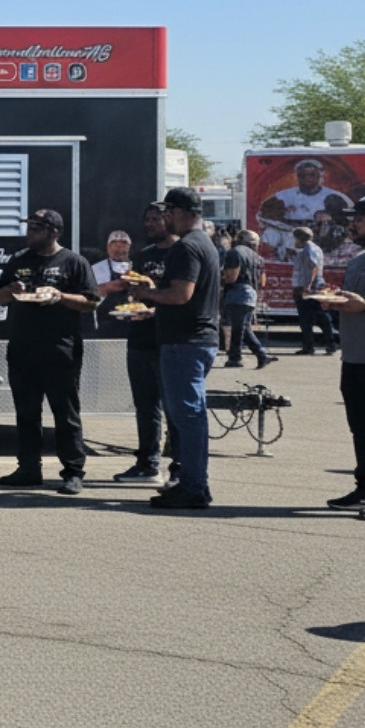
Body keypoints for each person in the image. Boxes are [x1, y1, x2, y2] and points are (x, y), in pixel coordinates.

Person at [0, 209, 100, 494]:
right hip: (22, 348)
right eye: (29, 227)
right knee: (26, 412)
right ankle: (29, 468)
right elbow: (0, 297)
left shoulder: (74, 262)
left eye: (36, 228)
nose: (29, 233)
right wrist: (11, 289)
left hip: (60, 349)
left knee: (65, 413)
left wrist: (60, 296)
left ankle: (73, 471)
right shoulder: (18, 261)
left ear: (54, 231)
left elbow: (91, 302)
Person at [129, 187, 222, 510]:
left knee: (188, 417)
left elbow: (181, 294)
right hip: (197, 340)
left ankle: (194, 486)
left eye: (168, 213)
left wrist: (148, 293)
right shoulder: (206, 243)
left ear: (180, 212)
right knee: (188, 416)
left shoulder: (187, 247)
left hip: (185, 342)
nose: (165, 219)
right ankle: (191, 482)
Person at [99, 204, 179, 483]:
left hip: (168, 339)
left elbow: (183, 298)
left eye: (155, 219)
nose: (149, 224)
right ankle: (147, 464)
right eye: (146, 220)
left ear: (169, 219)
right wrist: (131, 303)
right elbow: (139, 292)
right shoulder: (144, 255)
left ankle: (179, 468)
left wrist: (155, 310)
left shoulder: (181, 252)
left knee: (174, 407)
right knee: (145, 406)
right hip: (139, 337)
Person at [317, 197, 365, 509]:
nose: (354, 223)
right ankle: (364, 488)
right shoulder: (358, 260)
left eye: (360, 218)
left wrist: (363, 307)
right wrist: (333, 303)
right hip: (355, 359)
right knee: (360, 427)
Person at [221, 229, 273, 369]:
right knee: (245, 327)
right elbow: (263, 281)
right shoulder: (258, 257)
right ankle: (248, 355)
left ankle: (240, 357)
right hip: (252, 293)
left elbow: (232, 277)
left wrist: (222, 280)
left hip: (238, 293)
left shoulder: (235, 252)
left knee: (239, 327)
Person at [290, 226, 338, 355]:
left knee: (307, 317)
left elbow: (313, 267)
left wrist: (308, 285)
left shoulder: (309, 249)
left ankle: (310, 346)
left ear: (299, 238)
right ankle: (328, 344)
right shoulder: (310, 248)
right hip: (311, 285)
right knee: (318, 316)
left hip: (309, 287)